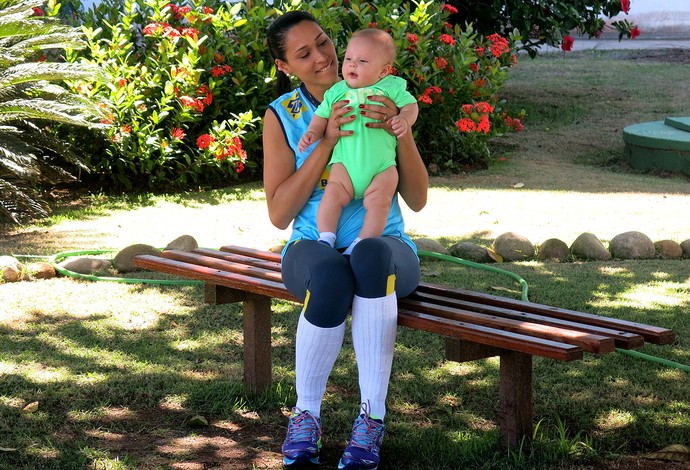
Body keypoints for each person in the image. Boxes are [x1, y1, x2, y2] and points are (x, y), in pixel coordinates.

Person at [264, 10, 428, 470]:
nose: (322, 57)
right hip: (313, 245)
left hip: (386, 245)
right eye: (303, 53)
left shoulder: (381, 94)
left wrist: (402, 128)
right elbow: (279, 214)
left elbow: (416, 199)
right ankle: (306, 416)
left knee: (371, 254)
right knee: (333, 274)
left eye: (322, 42)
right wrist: (326, 142)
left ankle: (372, 419)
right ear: (285, 68)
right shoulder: (283, 117)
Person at [297, 28, 419, 255]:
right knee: (331, 194)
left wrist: (404, 119)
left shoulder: (392, 87)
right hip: (346, 164)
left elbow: (411, 106)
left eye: (362, 61)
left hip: (381, 167)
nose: (352, 65)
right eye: (349, 59)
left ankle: (362, 242)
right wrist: (312, 133)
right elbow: (321, 117)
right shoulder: (337, 91)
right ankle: (326, 236)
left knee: (380, 203)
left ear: (384, 71)